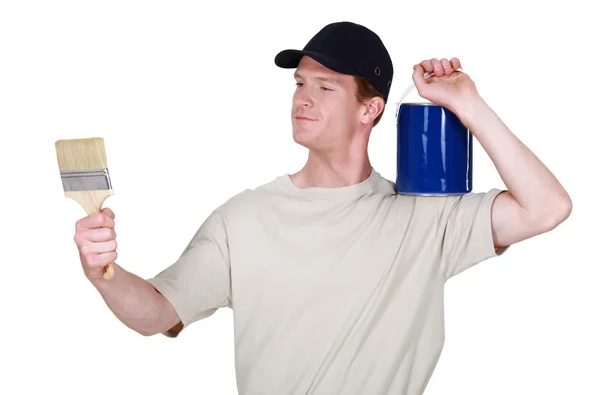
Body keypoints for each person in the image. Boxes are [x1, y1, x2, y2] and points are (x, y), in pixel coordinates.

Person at [72, 21, 572, 395]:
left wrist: (468, 104)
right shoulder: (243, 220)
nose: (302, 100)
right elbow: (155, 314)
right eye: (299, 84)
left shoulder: (425, 218)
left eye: (325, 86)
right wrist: (104, 274)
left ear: (369, 109)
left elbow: (546, 207)